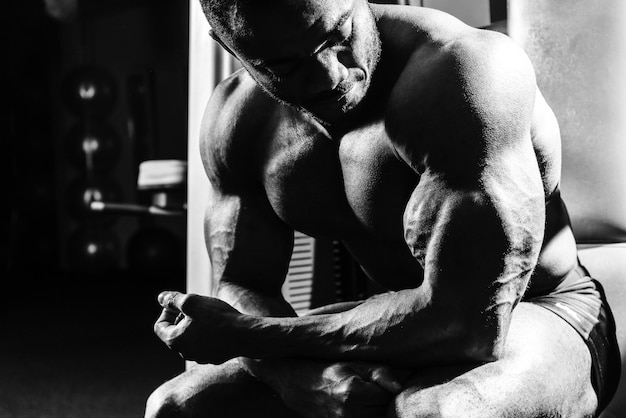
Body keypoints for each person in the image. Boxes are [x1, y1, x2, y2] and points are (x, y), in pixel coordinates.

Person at [146, 1, 621, 417]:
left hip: (536, 313)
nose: (330, 75)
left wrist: (254, 340)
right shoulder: (237, 121)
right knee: (175, 408)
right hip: (391, 321)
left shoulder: (460, 72)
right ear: (232, 49)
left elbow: (467, 326)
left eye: (336, 36)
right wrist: (298, 378)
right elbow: (243, 284)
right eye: (283, 66)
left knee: (433, 413)